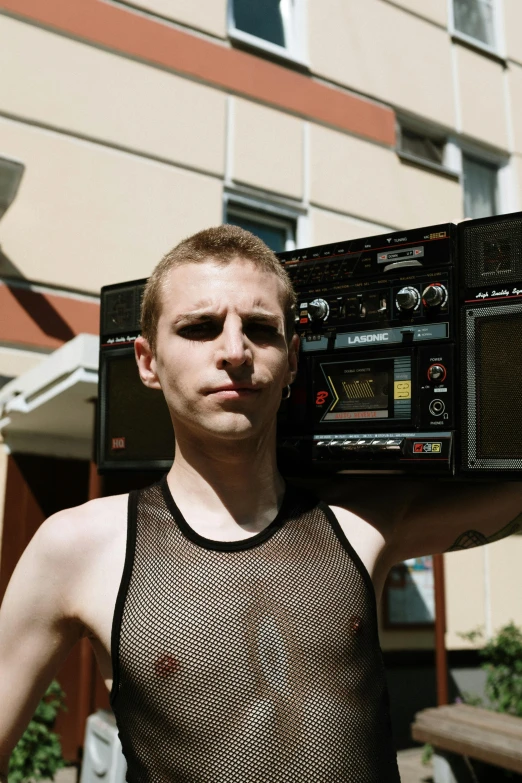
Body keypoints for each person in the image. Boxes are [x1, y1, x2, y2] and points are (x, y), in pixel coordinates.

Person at [0, 224, 521, 782]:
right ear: (147, 363)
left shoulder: (361, 522)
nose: (234, 351)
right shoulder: (77, 547)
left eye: (260, 328)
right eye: (200, 327)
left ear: (293, 358)